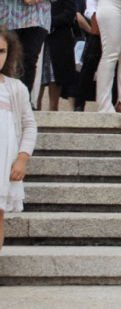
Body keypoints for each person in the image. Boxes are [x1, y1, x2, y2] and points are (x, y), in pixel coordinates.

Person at [0, 26, 36, 252]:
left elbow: (29, 125)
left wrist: (22, 159)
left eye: (2, 51)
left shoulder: (15, 88)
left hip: (3, 162)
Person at [37, 0, 77, 111]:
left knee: (55, 75)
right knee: (37, 74)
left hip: (57, 37)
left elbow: (70, 12)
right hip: (37, 37)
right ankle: (34, 109)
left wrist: (50, 22)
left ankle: (53, 111)